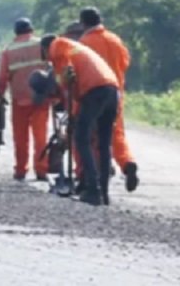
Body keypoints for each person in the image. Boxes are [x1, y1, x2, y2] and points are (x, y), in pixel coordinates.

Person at [33, 34, 120, 206]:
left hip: (94, 91)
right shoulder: (73, 47)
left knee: (81, 139)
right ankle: (103, 192)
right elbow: (72, 80)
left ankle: (93, 191)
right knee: (103, 143)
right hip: (111, 90)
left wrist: (62, 94)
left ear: (44, 48)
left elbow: (67, 79)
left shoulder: (56, 46)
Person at [77, 7, 139, 192]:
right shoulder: (115, 39)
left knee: (92, 137)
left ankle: (93, 177)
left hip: (93, 93)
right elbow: (125, 63)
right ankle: (127, 163)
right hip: (116, 94)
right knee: (117, 133)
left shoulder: (84, 43)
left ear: (83, 23)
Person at [0, 17, 50, 181]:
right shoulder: (41, 44)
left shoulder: (9, 50)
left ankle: (20, 170)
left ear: (15, 32)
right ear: (31, 30)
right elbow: (51, 68)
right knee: (41, 136)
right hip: (40, 98)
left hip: (19, 99)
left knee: (21, 137)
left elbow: (2, 75)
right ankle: (41, 171)